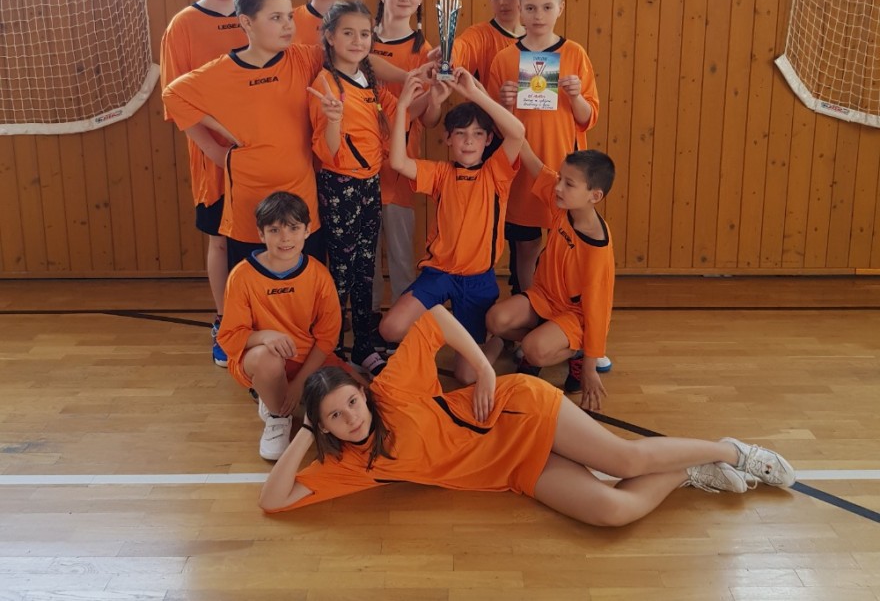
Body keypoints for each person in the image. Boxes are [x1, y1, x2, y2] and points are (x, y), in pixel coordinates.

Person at [258, 305, 797, 525]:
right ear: (325, 427)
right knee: (611, 513)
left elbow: (435, 317)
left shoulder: (391, 391)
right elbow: (273, 500)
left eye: (352, 402)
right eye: (336, 417)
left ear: (362, 393)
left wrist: (484, 370)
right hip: (511, 469)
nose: (352, 418)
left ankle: (734, 451)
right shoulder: (348, 464)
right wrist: (304, 431)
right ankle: (687, 472)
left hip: (518, 411)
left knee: (625, 460)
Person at [164, 0, 412, 273]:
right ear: (246, 22)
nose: (287, 25)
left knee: (307, 282)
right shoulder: (221, 71)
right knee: (255, 284)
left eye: (289, 17)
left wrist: (408, 77)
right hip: (250, 205)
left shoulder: (303, 58)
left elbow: (356, 56)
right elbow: (172, 96)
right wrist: (214, 144)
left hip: (302, 202)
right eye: (276, 18)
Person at [308, 0, 437, 377]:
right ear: (330, 37)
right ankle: (331, 350)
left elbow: (402, 115)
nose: (357, 40)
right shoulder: (325, 84)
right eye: (348, 33)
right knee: (341, 273)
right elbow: (327, 151)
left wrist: (430, 89)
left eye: (364, 34)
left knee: (365, 269)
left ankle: (363, 345)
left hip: (369, 185)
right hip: (340, 187)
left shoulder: (370, 82)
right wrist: (333, 120)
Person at [378, 68, 524, 383]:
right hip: (439, 274)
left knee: (467, 377)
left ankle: (496, 341)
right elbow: (398, 162)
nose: (468, 140)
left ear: (488, 139)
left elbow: (517, 132)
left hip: (477, 280)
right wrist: (402, 108)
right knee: (390, 329)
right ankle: (441, 328)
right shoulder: (441, 174)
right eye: (460, 133)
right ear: (447, 139)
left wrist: (473, 93)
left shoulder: (496, 174)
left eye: (477, 134)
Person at [217, 192, 367, 461]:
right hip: (258, 359)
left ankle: (284, 392)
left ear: (307, 230)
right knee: (268, 357)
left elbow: (327, 337)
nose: (285, 238)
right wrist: (264, 336)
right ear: (261, 234)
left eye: (293, 228)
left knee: (367, 395)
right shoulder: (242, 276)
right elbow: (228, 337)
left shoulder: (318, 274)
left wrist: (298, 384)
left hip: (306, 358)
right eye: (275, 230)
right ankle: (277, 415)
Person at [160, 0, 248, 367]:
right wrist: (215, 151)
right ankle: (224, 322)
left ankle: (259, 321)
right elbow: (175, 101)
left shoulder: (253, 15)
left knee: (261, 237)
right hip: (214, 157)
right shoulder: (183, 25)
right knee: (220, 239)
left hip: (261, 152)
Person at [487, 0, 600, 296]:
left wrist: (576, 97)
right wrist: (503, 103)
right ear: (520, 9)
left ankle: (560, 306)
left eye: (547, 7)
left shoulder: (575, 54)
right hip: (521, 171)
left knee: (564, 244)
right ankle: (527, 305)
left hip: (564, 167)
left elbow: (589, 117)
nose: (539, 16)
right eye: (531, 8)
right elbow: (496, 126)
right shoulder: (504, 59)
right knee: (525, 247)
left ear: (560, 8)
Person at [487, 140, 615, 410]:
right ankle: (546, 338)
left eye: (569, 184)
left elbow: (598, 311)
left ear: (594, 196)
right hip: (544, 297)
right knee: (495, 320)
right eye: (559, 179)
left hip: (574, 315)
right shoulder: (563, 207)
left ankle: (577, 352)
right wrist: (515, 131)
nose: (558, 187)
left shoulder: (597, 249)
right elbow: (533, 162)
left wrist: (590, 366)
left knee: (533, 349)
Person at [369, 0, 437, 344]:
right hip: (358, 164)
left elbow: (426, 118)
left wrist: (436, 94)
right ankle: (367, 322)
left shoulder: (424, 52)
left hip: (399, 164)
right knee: (364, 254)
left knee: (399, 252)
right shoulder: (361, 38)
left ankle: (402, 330)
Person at [453, 0, 529, 83]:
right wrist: (447, 54)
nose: (503, 2)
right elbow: (462, 47)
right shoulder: (480, 35)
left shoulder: (538, 38)